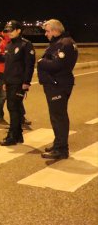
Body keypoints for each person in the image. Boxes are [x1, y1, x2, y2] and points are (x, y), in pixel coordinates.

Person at [37, 19, 78, 159]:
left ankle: (61, 149)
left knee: (58, 117)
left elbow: (57, 65)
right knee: (56, 116)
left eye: (48, 31)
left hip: (58, 85)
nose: (46, 34)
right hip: (56, 84)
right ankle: (58, 144)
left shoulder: (64, 44)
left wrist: (41, 62)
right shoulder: (61, 42)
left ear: (55, 31)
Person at [0, 20, 35, 146]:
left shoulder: (26, 45)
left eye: (11, 30)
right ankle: (18, 135)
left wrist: (26, 82)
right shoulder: (9, 45)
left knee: (13, 108)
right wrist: (4, 81)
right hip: (9, 81)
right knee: (14, 108)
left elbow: (29, 65)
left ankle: (12, 136)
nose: (9, 33)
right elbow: (7, 66)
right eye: (7, 31)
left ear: (18, 30)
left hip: (19, 82)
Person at [0, 28, 31, 128]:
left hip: (13, 72)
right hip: (2, 72)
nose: (9, 33)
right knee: (3, 95)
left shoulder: (13, 41)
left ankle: (21, 117)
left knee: (17, 95)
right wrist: (11, 57)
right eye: (8, 31)